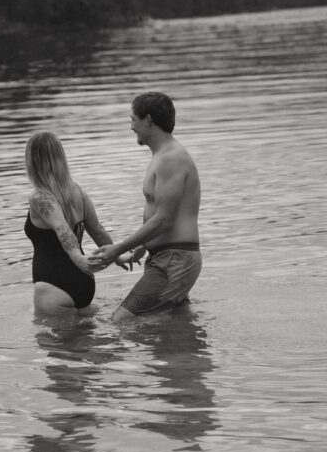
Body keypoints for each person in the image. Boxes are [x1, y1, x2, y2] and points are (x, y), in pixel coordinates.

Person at [89, 92, 202, 323]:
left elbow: (164, 219)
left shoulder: (171, 158)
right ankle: (188, 357)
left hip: (174, 259)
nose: (131, 127)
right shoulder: (163, 156)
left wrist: (117, 249)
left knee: (121, 321)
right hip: (168, 257)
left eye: (133, 119)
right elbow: (162, 215)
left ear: (148, 120)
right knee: (177, 324)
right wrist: (142, 247)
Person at [24, 131, 117, 315]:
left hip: (52, 288)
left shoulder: (39, 196)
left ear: (33, 161)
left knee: (55, 344)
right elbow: (97, 230)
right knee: (85, 340)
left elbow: (61, 228)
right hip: (83, 284)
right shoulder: (78, 192)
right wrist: (118, 255)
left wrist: (80, 259)